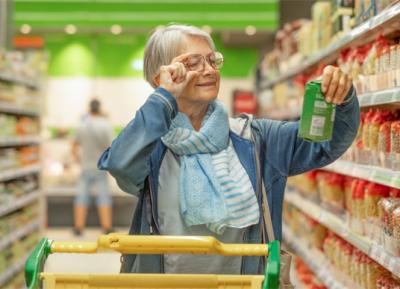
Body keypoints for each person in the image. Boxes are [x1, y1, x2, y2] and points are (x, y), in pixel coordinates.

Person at [98, 24, 359, 274]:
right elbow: (120, 164)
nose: (209, 70)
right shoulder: (151, 148)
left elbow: (327, 142)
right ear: (162, 77)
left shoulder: (256, 139)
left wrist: (342, 95)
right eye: (192, 63)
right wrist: (162, 99)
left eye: (212, 60)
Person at [72, 99, 114, 235]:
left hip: (85, 166)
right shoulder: (106, 124)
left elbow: (73, 146)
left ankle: (79, 228)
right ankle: (107, 227)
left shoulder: (82, 124)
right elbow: (112, 146)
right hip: (100, 167)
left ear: (89, 108)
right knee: (103, 196)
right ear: (100, 108)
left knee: (81, 196)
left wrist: (79, 160)